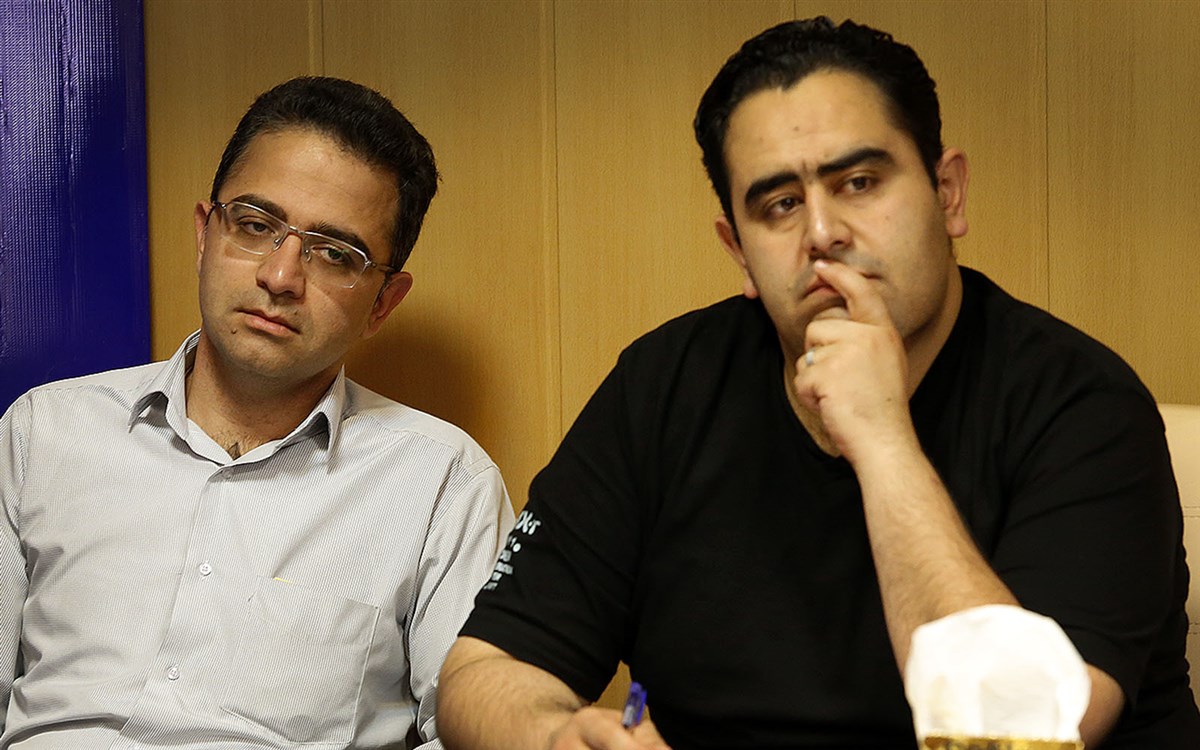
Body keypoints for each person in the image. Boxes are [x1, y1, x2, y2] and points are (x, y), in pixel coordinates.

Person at [437, 17, 1200, 750]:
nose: (823, 233)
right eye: (780, 205)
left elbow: (1014, 736)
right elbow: (482, 671)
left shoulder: (1083, 404)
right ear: (739, 250)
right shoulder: (663, 386)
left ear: (949, 193)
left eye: (860, 182)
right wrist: (551, 734)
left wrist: (881, 436)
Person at [0, 77, 514, 749]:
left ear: (383, 303)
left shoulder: (443, 484)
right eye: (255, 226)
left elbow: (478, 735)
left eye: (335, 254)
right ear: (204, 235)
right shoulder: (43, 431)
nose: (280, 277)